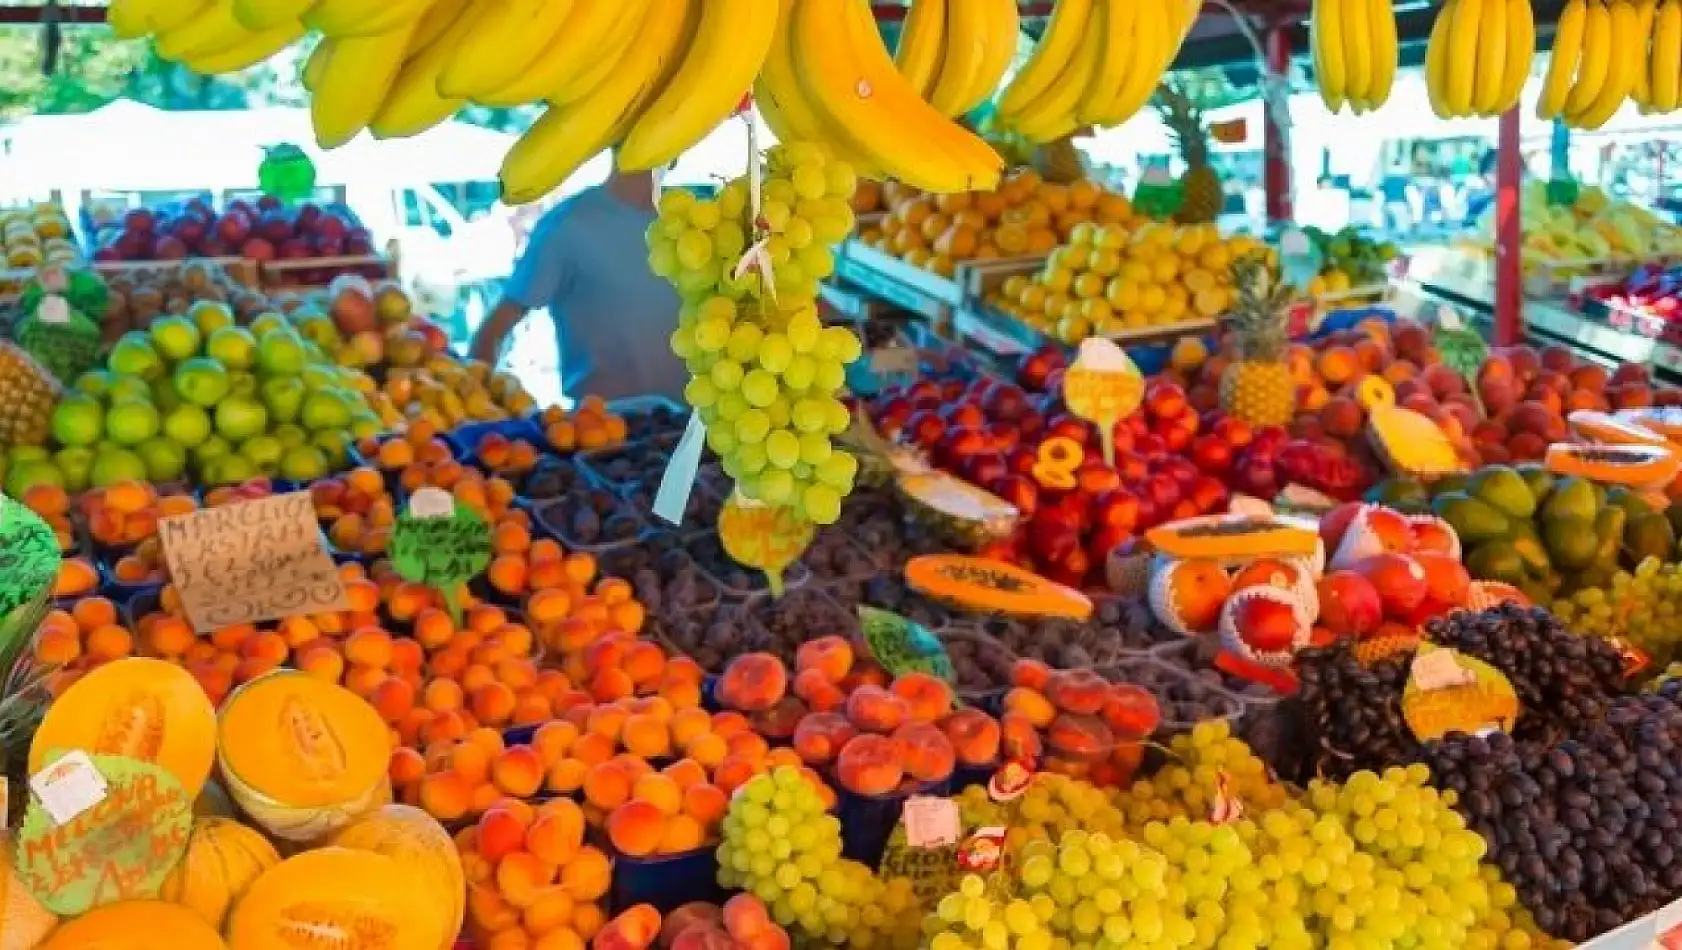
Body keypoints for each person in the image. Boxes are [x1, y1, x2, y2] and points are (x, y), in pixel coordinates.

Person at [469, 165, 687, 402]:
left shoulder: (690, 221)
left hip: (699, 428)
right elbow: (493, 331)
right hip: (606, 430)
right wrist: (479, 410)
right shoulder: (567, 225)